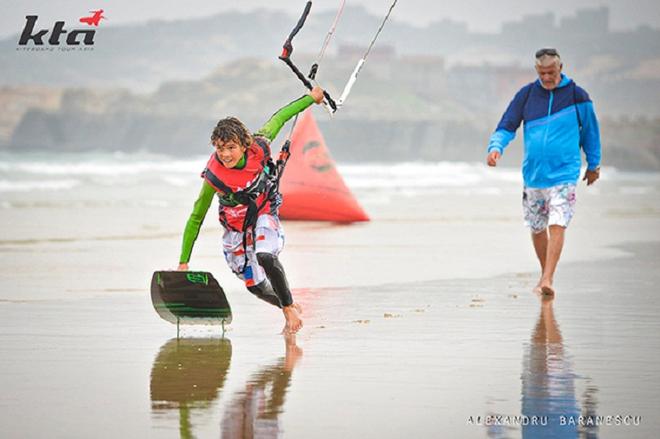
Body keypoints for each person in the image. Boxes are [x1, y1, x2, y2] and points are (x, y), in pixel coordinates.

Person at [177, 86, 325, 333]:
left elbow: (282, 116)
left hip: (264, 210)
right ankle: (289, 306)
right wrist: (183, 262)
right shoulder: (214, 175)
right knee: (254, 285)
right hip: (236, 226)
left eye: (230, 148)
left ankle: (289, 312)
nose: (225, 154)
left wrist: (311, 98)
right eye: (219, 148)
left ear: (243, 145)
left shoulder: (260, 145)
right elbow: (196, 216)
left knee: (265, 256)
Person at [486, 48, 601, 296]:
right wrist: (496, 148)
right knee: (537, 227)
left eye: (551, 72)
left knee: (558, 221)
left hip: (564, 173)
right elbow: (507, 125)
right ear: (536, 71)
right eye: (542, 73)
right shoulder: (527, 95)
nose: (547, 77)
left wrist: (593, 164)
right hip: (534, 175)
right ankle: (544, 273)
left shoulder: (577, 95)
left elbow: (591, 131)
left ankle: (548, 278)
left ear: (561, 68)